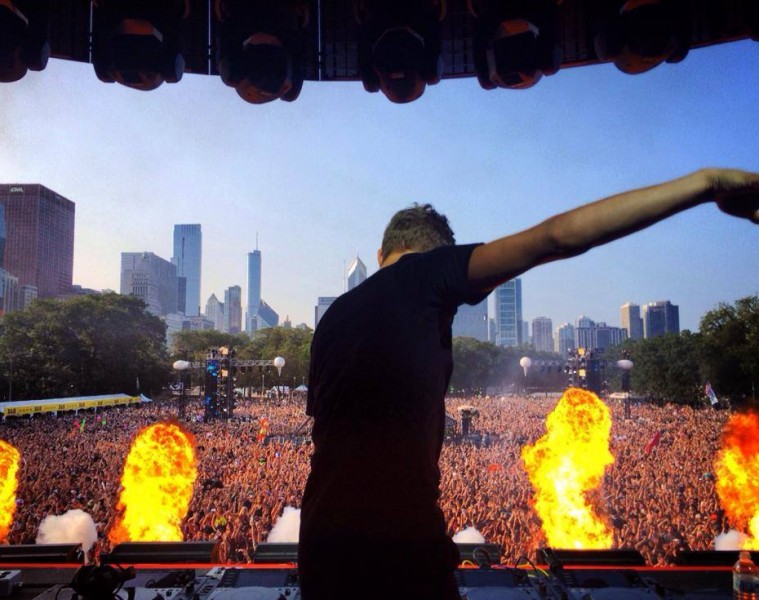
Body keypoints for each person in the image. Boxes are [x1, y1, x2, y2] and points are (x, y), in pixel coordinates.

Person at [297, 168, 759, 599]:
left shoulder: (332, 319)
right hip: (398, 548)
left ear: (380, 254)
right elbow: (555, 237)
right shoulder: (426, 273)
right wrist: (705, 184)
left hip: (321, 549)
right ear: (434, 254)